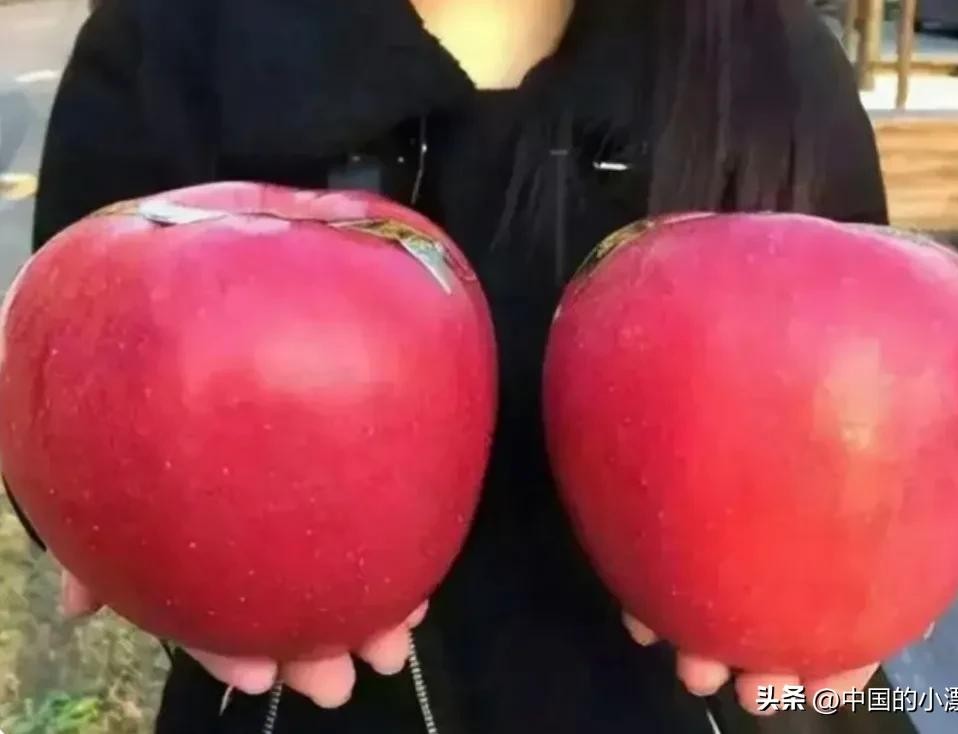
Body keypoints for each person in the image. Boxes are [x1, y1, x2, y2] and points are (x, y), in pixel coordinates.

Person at [12, 0, 892, 732]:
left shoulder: (773, 64)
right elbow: (64, 387)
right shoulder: (172, 41)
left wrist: (862, 568)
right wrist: (103, 513)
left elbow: (866, 417)